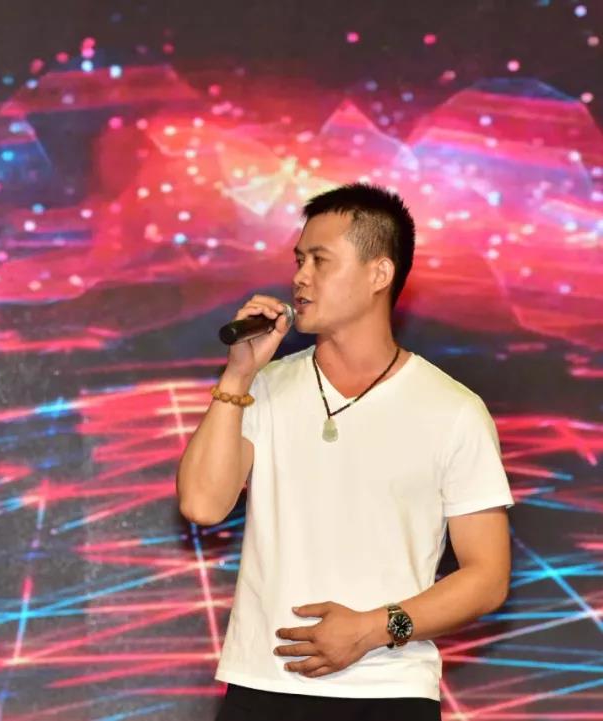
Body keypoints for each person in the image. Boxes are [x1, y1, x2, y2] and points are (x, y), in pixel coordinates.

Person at [177, 183, 513, 721]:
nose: (300, 277)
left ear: (379, 274)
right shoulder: (262, 387)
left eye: (320, 260)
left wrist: (373, 629)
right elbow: (201, 504)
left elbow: (487, 576)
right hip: (262, 685)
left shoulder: (453, 410)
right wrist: (238, 375)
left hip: (389, 692)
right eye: (299, 260)